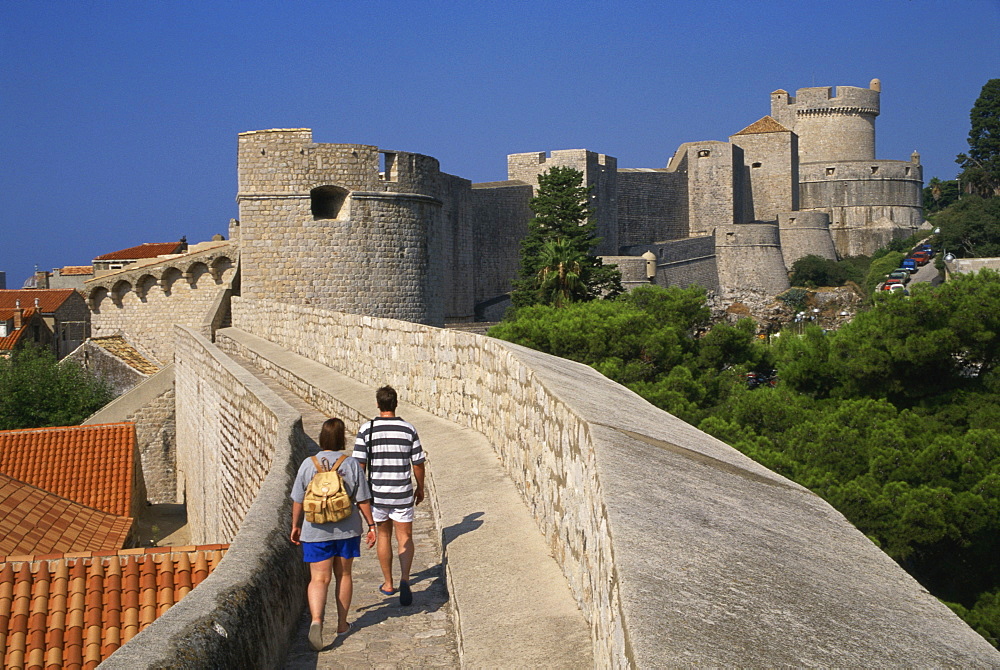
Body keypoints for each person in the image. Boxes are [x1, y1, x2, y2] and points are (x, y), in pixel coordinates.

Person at [290, 417, 376, 651]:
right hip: (346, 529)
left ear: (321, 438)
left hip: (315, 529)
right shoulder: (350, 464)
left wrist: (295, 525)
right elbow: (363, 499)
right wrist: (371, 525)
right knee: (344, 575)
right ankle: (341, 624)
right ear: (342, 438)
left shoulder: (309, 464)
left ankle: (317, 620)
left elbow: (298, 499)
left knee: (319, 578)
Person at [352, 385, 426, 607]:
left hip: (377, 494)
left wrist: (360, 494)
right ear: (396, 403)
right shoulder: (408, 429)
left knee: (383, 536)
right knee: (405, 537)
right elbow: (418, 463)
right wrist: (420, 487)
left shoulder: (367, 429)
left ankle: (388, 583)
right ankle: (405, 578)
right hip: (402, 493)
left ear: (378, 404)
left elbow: (359, 464)